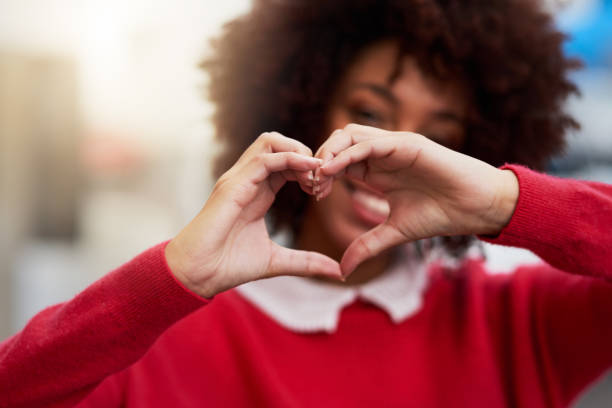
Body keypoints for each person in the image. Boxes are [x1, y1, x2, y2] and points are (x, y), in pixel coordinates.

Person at [2, 0, 612, 406]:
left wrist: (504, 197)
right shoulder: (159, 336)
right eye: (369, 112)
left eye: (439, 139)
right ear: (302, 104)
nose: (391, 154)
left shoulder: (520, 324)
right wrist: (171, 279)